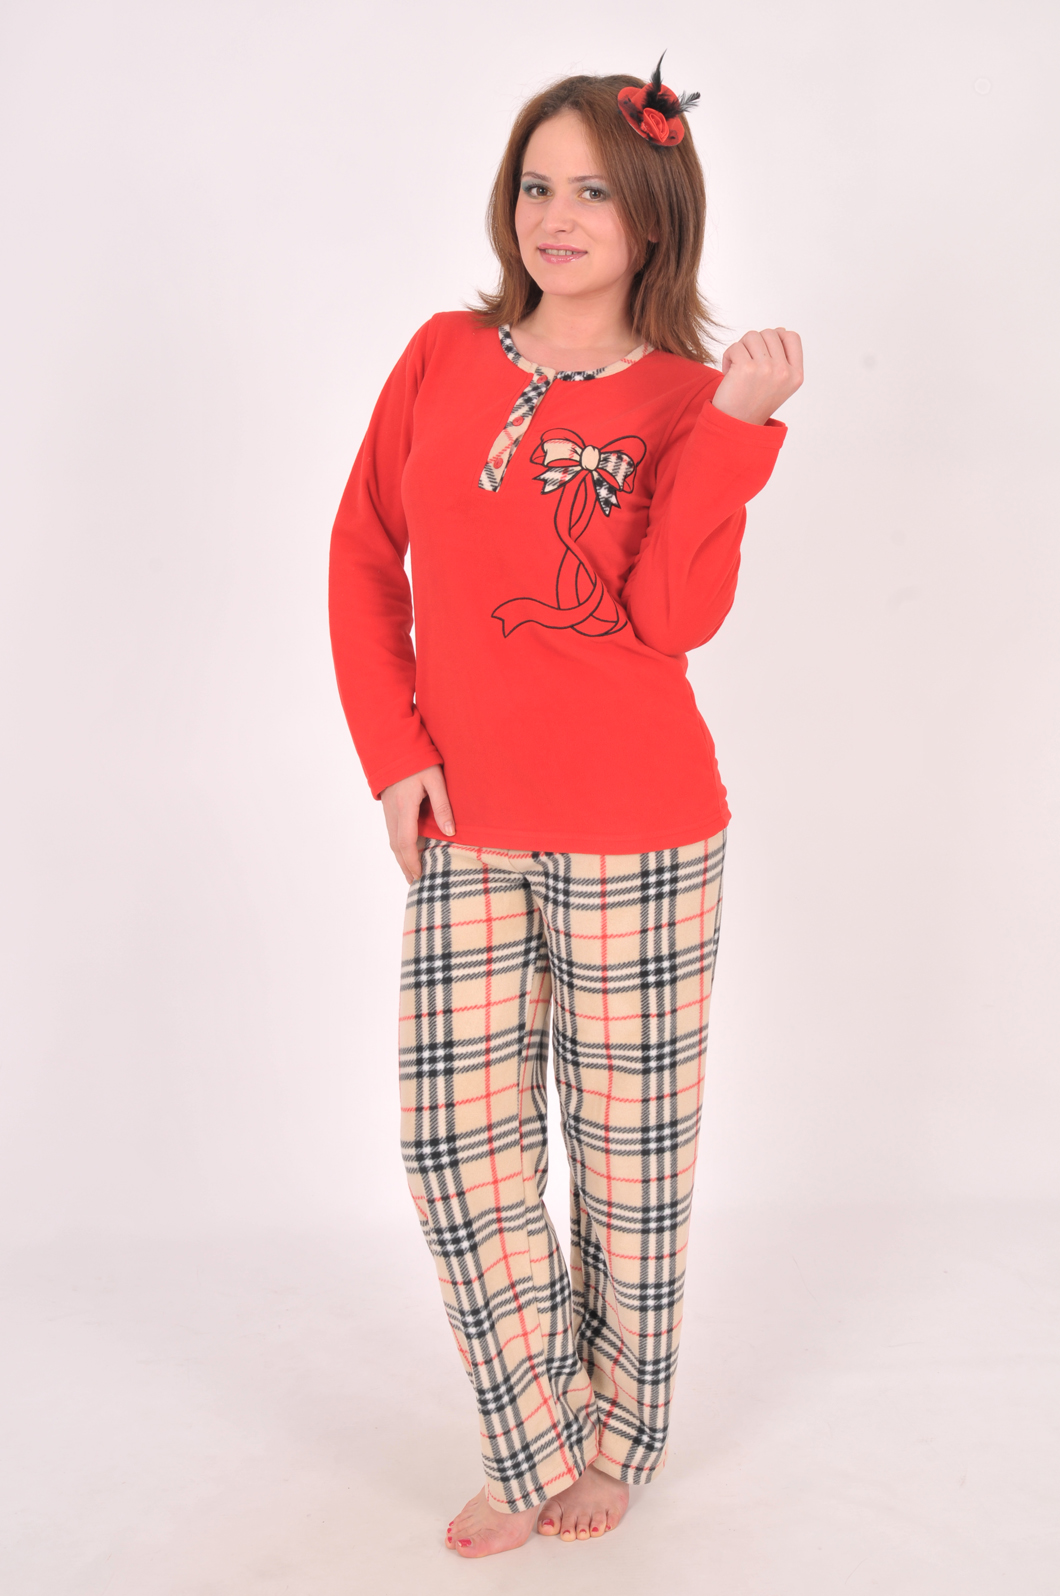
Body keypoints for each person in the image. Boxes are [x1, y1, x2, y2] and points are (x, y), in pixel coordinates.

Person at [328, 59, 802, 1560]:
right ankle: (530, 1439)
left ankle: (618, 1438)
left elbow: (672, 619)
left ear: (654, 214)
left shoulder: (686, 398)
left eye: (594, 188)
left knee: (628, 1163)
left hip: (643, 830)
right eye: (538, 185)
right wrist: (394, 751)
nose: (558, 215)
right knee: (457, 1146)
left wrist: (735, 430)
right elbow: (363, 552)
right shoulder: (440, 353)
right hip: (466, 824)